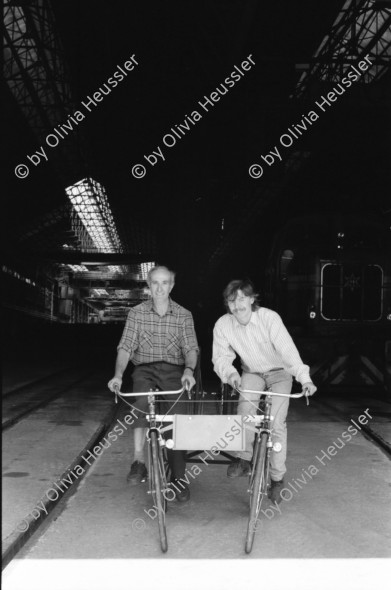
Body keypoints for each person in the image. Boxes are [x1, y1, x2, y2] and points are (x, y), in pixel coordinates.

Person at [212, 279, 316, 504]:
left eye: (241, 299)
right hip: (251, 372)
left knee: (276, 424)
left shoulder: (269, 318)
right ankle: (244, 459)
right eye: (232, 301)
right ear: (227, 304)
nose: (237, 305)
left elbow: (288, 352)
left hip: (280, 373)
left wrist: (305, 379)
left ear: (251, 299)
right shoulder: (223, 324)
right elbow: (220, 357)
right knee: (245, 412)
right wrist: (231, 375)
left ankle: (277, 479)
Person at [108, 265, 198, 503]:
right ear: (149, 285)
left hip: (174, 371)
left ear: (172, 285)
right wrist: (118, 375)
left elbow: (190, 348)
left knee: (175, 420)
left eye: (165, 283)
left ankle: (178, 478)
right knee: (140, 405)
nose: (160, 288)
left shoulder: (183, 315)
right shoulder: (136, 313)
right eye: (155, 283)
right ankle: (139, 462)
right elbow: (125, 347)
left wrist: (188, 371)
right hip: (144, 370)